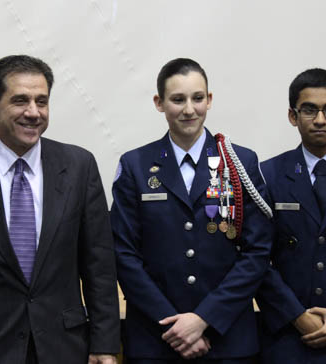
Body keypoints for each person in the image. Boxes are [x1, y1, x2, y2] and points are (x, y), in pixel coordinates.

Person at [0, 54, 120, 364]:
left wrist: (105, 344)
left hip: (65, 348)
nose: (33, 113)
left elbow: (99, 266)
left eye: (42, 102)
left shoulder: (79, 167)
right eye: (20, 101)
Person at [111, 58, 273, 363]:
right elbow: (124, 254)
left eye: (197, 98)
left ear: (209, 100)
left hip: (227, 340)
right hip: (156, 339)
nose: (189, 109)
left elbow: (257, 253)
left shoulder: (240, 162)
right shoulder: (136, 166)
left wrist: (204, 319)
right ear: (159, 103)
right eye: (177, 99)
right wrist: (173, 324)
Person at [257, 68, 326, 363]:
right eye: (309, 110)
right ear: (293, 116)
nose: (319, 120)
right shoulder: (268, 175)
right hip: (287, 338)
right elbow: (256, 258)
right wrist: (296, 315)